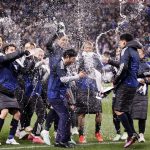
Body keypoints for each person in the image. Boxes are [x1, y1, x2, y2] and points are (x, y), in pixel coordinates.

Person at [102, 33, 141, 148]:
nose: (119, 44)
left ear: (124, 41)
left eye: (120, 41)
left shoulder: (126, 49)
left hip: (126, 84)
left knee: (118, 110)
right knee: (125, 110)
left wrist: (115, 79)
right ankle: (134, 133)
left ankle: (131, 134)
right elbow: (124, 65)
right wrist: (110, 61)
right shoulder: (134, 51)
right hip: (133, 83)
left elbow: (123, 68)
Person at [47, 49, 86, 148]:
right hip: (55, 95)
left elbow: (65, 79)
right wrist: (77, 76)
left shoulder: (64, 65)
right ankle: (62, 141)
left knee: (65, 117)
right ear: (67, 56)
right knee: (65, 117)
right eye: (73, 59)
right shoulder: (60, 64)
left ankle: (61, 140)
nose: (73, 61)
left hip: (58, 95)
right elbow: (63, 79)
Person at [0, 44, 29, 145]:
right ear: (6, 51)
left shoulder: (15, 63)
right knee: (4, 112)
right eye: (11, 50)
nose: (13, 52)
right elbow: (10, 57)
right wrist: (21, 52)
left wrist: (30, 59)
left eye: (14, 50)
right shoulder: (2, 58)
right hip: (1, 90)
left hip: (11, 92)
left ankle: (11, 138)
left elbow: (25, 72)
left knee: (17, 114)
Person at [76, 41, 103, 144]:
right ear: (83, 49)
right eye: (86, 48)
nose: (88, 50)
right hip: (82, 87)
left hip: (94, 87)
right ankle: (81, 135)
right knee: (81, 112)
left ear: (92, 49)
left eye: (90, 48)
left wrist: (96, 71)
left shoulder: (96, 57)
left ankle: (97, 132)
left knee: (98, 111)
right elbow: (77, 70)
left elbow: (101, 69)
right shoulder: (80, 57)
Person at [131, 48, 150, 142]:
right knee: (128, 114)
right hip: (130, 92)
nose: (137, 54)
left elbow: (149, 79)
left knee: (142, 115)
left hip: (142, 93)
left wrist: (145, 80)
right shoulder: (130, 64)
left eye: (139, 53)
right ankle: (132, 134)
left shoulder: (146, 66)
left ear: (143, 55)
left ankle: (141, 134)